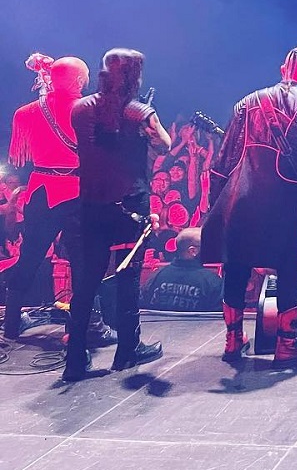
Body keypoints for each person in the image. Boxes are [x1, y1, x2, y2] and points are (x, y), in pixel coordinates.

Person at [201, 47, 297, 367]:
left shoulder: (246, 102)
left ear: (282, 70)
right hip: (283, 202)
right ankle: (287, 345)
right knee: (289, 268)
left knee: (236, 265)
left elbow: (223, 160)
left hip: (240, 199)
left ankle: (233, 339)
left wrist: (216, 205)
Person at [64, 49, 172, 381]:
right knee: (128, 277)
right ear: (134, 76)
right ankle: (127, 350)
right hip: (130, 206)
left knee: (87, 281)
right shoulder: (139, 113)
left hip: (91, 204)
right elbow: (165, 144)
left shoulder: (79, 108)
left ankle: (74, 359)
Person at [5, 54, 117, 346]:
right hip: (78, 192)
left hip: (41, 191)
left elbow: (22, 153)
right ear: (79, 80)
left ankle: (12, 322)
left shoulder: (26, 112)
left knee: (30, 255)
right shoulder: (91, 110)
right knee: (84, 260)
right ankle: (91, 326)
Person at [143, 228, 223, 312]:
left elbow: (143, 307)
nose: (210, 249)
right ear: (193, 251)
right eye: (206, 246)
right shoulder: (212, 282)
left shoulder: (156, 276)